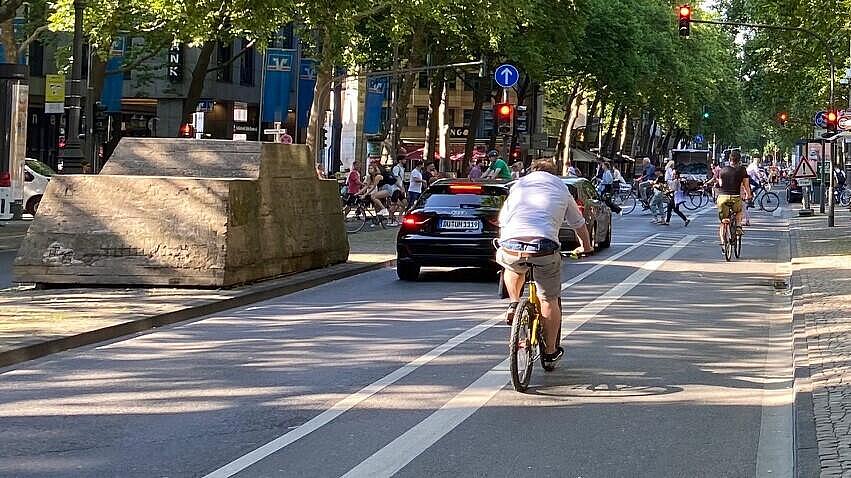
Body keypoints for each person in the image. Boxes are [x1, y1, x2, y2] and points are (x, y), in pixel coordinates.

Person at [497, 159, 592, 369]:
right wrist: (586, 246)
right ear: (554, 173)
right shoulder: (561, 188)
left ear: (532, 171)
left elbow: (503, 220)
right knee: (548, 298)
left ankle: (514, 302)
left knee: (511, 266)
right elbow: (578, 223)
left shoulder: (518, 186)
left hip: (511, 243)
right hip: (544, 246)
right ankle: (550, 352)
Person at [717, 150, 752, 246]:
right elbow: (746, 185)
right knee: (739, 211)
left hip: (722, 198)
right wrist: (749, 196)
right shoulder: (742, 170)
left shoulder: (723, 170)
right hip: (735, 197)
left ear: (729, 159)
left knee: (723, 220)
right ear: (739, 160)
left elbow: (720, 184)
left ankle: (723, 242)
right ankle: (738, 227)